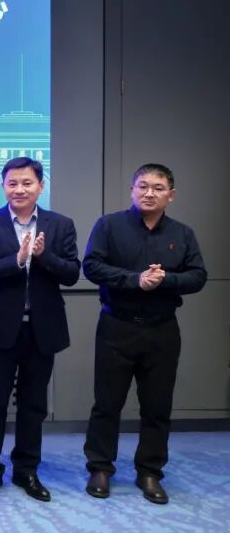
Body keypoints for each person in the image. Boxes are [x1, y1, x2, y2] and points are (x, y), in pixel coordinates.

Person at [82, 163, 206, 504]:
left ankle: (149, 471)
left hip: (162, 330)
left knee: (157, 405)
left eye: (158, 188)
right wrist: (135, 279)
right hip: (117, 327)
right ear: (132, 190)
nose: (149, 193)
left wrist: (165, 280)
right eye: (143, 186)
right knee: (107, 403)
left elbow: (198, 276)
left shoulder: (182, 234)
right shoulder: (109, 225)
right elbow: (91, 266)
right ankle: (100, 468)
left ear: (171, 195)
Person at [0, 157, 80, 502]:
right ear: (4, 186)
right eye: (12, 183)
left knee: (33, 406)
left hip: (41, 330)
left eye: (27, 183)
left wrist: (43, 256)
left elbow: (71, 274)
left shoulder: (60, 224)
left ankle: (26, 470)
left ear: (40, 186)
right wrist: (17, 260)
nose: (19, 189)